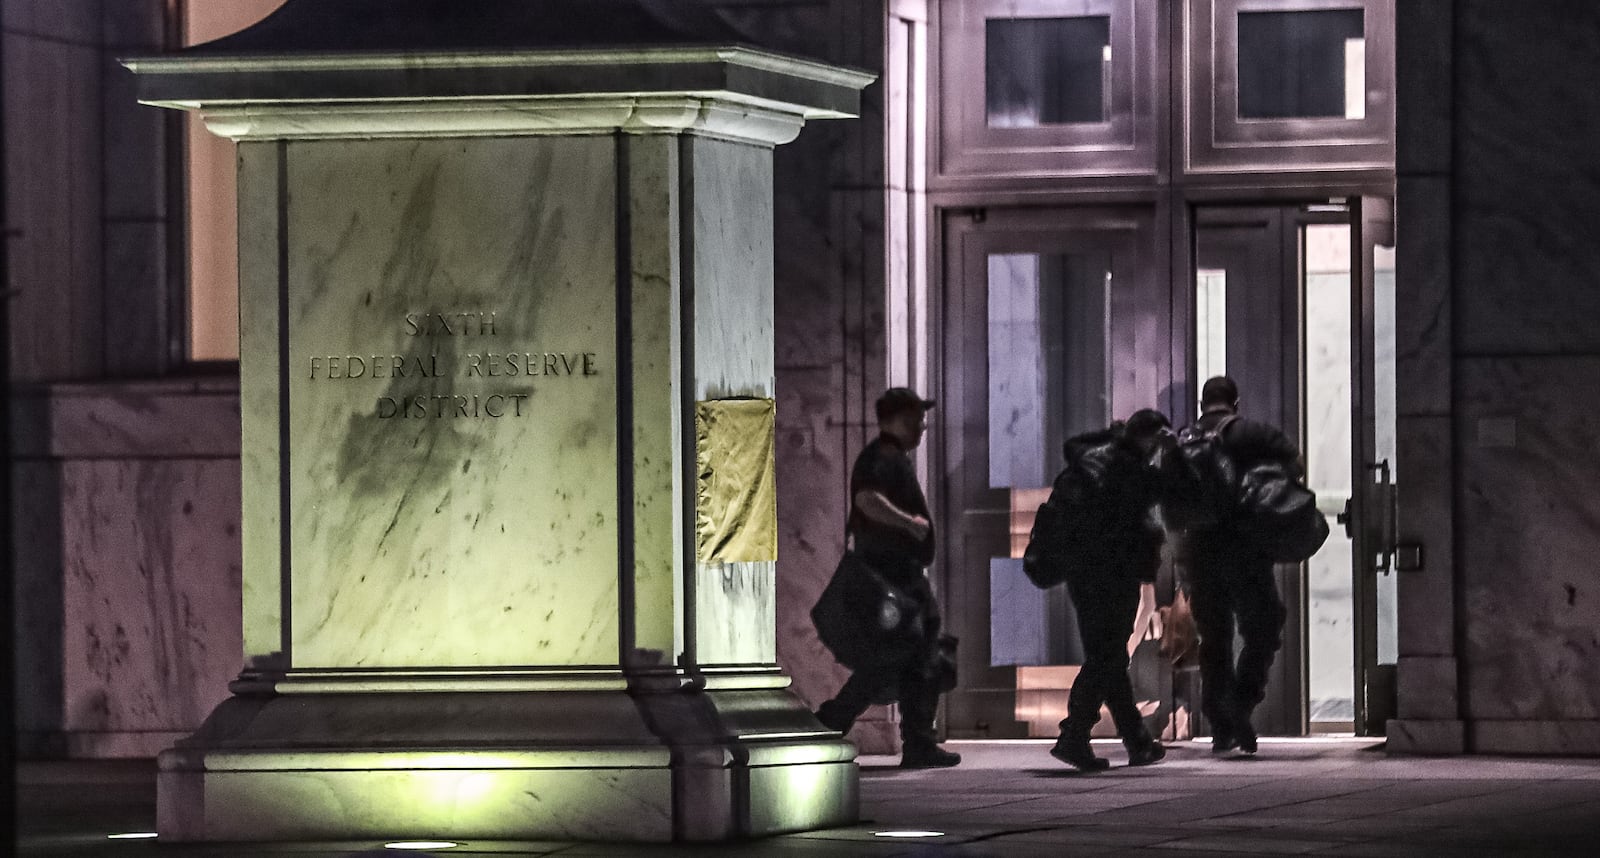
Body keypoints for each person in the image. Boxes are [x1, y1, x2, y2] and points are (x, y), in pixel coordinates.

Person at [815, 387, 961, 768]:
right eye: (917, 418)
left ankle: (912, 740)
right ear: (898, 418)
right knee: (900, 656)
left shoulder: (892, 456)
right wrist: (908, 523)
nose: (923, 426)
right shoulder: (881, 457)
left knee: (913, 657)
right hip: (892, 576)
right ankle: (836, 722)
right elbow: (866, 499)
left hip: (900, 575)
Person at [1045, 410, 1173, 772]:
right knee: (1108, 657)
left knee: (1109, 655)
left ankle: (1136, 741)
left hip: (1082, 572)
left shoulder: (1092, 458)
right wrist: (1173, 453)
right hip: (1114, 573)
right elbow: (1174, 491)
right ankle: (1075, 734)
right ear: (1150, 439)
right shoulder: (1130, 469)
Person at [1180, 376, 1300, 755]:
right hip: (1246, 551)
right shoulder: (1252, 434)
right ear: (1236, 402)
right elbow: (1294, 464)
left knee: (1214, 639)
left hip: (1198, 555)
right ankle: (1241, 702)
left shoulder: (1185, 441)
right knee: (1264, 627)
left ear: (1202, 404)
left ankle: (1220, 726)